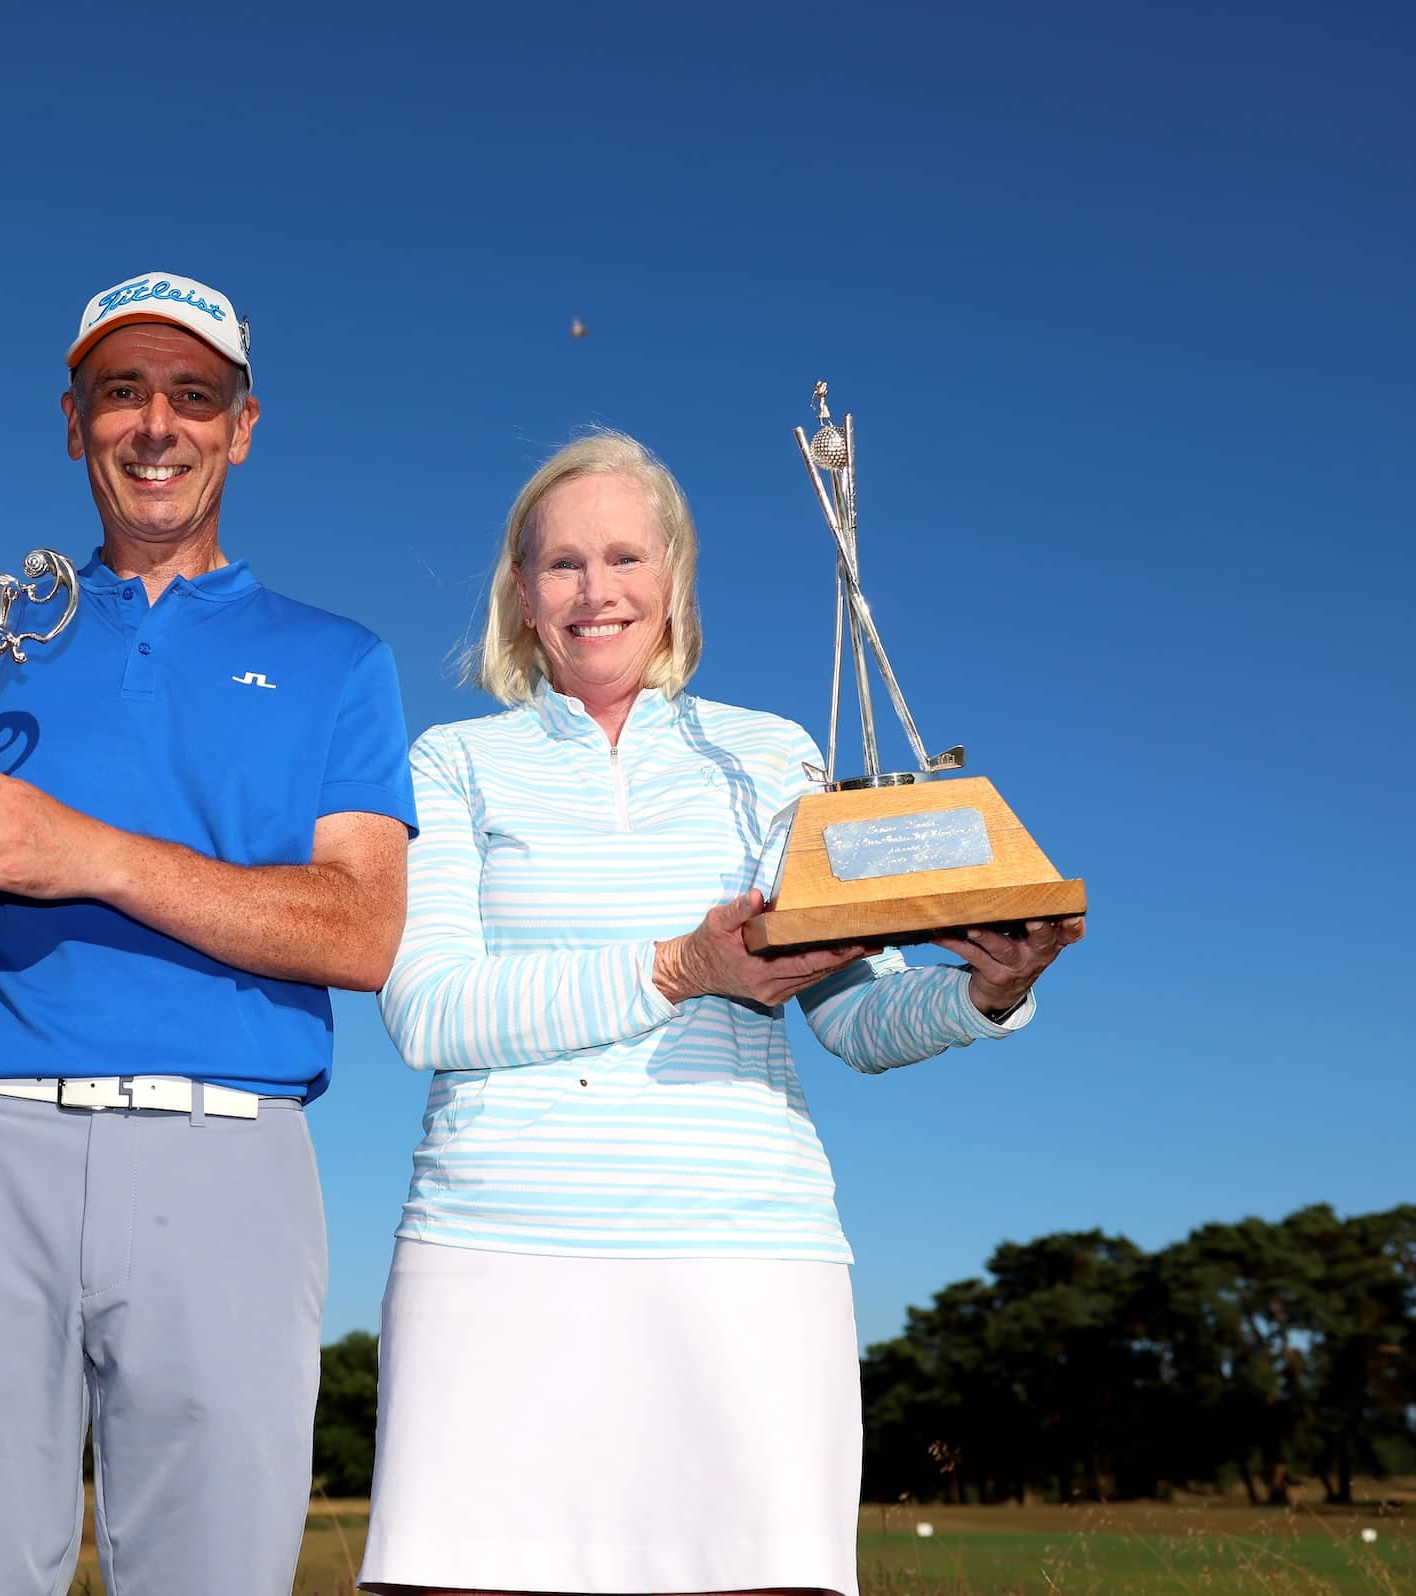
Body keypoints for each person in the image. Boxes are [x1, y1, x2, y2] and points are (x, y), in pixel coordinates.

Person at [0, 271, 416, 1596]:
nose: (157, 426)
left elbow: (362, 930)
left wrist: (91, 854)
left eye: (194, 396)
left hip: (230, 1157)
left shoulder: (339, 659)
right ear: (74, 425)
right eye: (121, 393)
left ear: (244, 426)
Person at [355, 430, 1082, 1596]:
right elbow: (431, 1011)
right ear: (520, 593)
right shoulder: (453, 761)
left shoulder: (775, 754)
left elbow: (851, 1016)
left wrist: (991, 989)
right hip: (496, 1245)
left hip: (748, 1244)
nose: (598, 591)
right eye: (563, 564)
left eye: (628, 558)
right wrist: (679, 970)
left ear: (676, 583)